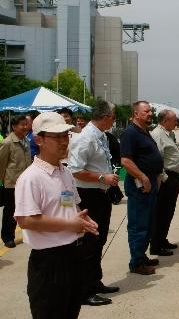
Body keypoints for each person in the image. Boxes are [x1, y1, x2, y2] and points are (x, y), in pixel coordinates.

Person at [14, 112, 99, 319]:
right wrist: (70, 224)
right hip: (49, 263)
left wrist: (83, 220)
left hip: (72, 255)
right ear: (39, 140)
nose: (63, 142)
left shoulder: (64, 172)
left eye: (66, 136)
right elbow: (26, 220)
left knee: (71, 311)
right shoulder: (31, 178)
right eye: (57, 137)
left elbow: (69, 205)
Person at [67, 101, 120, 306]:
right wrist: (101, 178)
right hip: (89, 194)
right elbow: (74, 170)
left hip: (101, 194)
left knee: (99, 239)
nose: (114, 121)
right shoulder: (86, 138)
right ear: (106, 117)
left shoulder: (101, 136)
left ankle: (94, 281)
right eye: (113, 117)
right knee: (89, 243)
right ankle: (84, 291)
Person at [120, 100, 163, 275]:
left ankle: (141, 256)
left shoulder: (143, 132)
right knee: (139, 225)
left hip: (150, 183)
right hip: (139, 186)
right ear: (136, 114)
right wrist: (143, 177)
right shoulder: (130, 133)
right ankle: (136, 262)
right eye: (146, 111)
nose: (150, 114)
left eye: (151, 111)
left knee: (148, 223)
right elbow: (126, 161)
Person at [150, 110, 179, 256]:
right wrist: (165, 178)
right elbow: (156, 159)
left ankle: (162, 239)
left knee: (168, 211)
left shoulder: (169, 134)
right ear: (164, 121)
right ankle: (156, 244)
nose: (176, 122)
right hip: (166, 178)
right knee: (161, 212)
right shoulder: (157, 135)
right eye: (174, 120)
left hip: (173, 177)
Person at [0, 115, 32, 248]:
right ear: (14, 127)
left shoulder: (26, 140)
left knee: (22, 210)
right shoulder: (7, 142)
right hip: (11, 183)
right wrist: (3, 180)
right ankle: (7, 237)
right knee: (11, 211)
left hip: (25, 182)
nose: (25, 127)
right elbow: (1, 163)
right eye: (22, 124)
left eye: (26, 124)